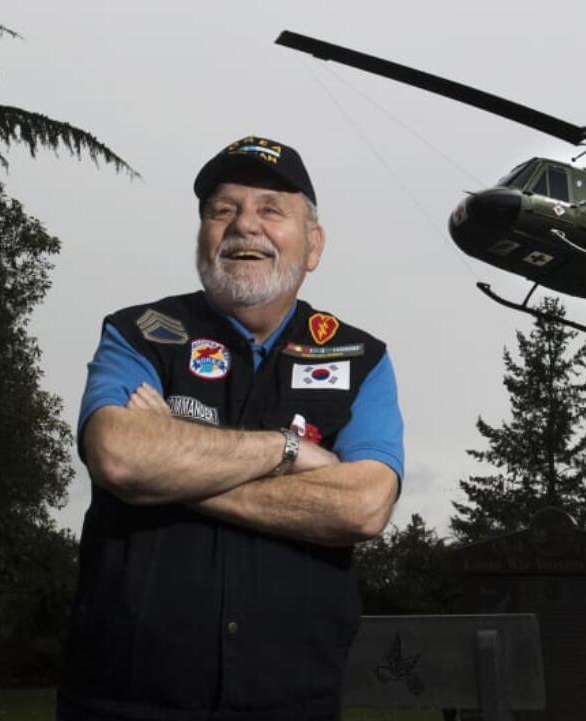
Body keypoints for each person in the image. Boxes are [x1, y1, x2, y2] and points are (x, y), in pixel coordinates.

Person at [57, 136, 404, 721]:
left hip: (293, 703)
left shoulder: (361, 358)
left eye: (271, 208)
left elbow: (364, 506)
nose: (246, 225)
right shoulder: (139, 332)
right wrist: (290, 450)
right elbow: (119, 457)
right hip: (124, 702)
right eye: (223, 210)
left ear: (313, 244)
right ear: (203, 234)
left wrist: (172, 464)